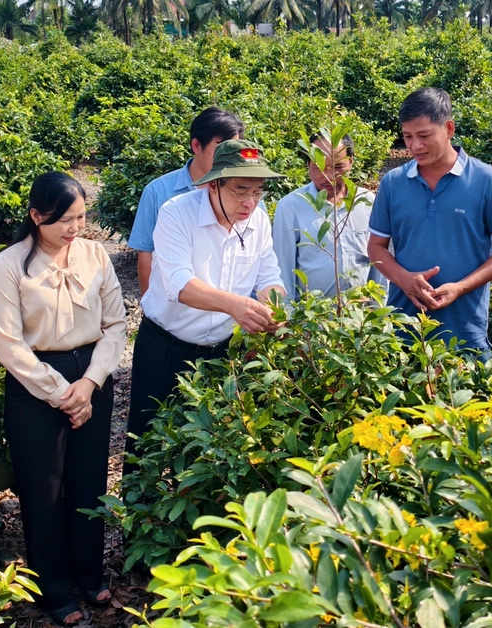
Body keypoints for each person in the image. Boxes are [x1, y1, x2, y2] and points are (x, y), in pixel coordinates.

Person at [0, 172, 126, 625]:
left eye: (81, 217)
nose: (74, 228)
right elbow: (9, 345)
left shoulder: (94, 255)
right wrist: (60, 392)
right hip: (35, 385)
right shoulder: (8, 265)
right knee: (42, 487)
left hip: (91, 376)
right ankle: (54, 587)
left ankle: (89, 574)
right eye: (64, 220)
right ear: (35, 217)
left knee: (88, 480)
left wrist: (88, 384)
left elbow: (115, 325)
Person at [125, 139, 286, 473]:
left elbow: (268, 273)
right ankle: (140, 519)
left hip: (221, 353)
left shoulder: (257, 221)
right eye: (241, 190)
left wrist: (273, 309)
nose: (250, 203)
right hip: (166, 347)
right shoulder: (176, 213)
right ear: (213, 185)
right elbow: (180, 284)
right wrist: (238, 307)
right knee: (148, 444)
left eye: (258, 192)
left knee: (210, 448)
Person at [368, 88, 492, 353]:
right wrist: (404, 280)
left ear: (449, 128)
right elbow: (376, 247)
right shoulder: (393, 183)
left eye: (424, 135)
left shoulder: (488, 181)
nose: (415, 146)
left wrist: (461, 287)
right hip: (404, 331)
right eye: (407, 137)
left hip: (464, 332)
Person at [128, 107, 245, 296]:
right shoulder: (159, 191)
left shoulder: (247, 196)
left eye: (234, 149)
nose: (228, 158)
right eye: (221, 147)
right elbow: (147, 255)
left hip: (230, 316)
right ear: (197, 145)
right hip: (176, 312)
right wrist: (150, 309)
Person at [273, 133, 386, 298]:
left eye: (338, 167)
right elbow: (283, 267)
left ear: (351, 162)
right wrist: (288, 316)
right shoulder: (290, 206)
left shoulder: (366, 202)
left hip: (360, 317)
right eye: (318, 168)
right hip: (311, 318)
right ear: (308, 164)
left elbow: (378, 262)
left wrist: (378, 311)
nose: (329, 177)